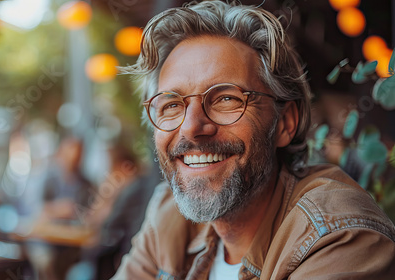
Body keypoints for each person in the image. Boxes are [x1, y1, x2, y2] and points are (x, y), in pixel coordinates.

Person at [112, 1, 395, 279]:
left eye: (226, 99)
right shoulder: (168, 216)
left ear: (285, 123)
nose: (191, 128)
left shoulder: (339, 237)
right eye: (171, 105)